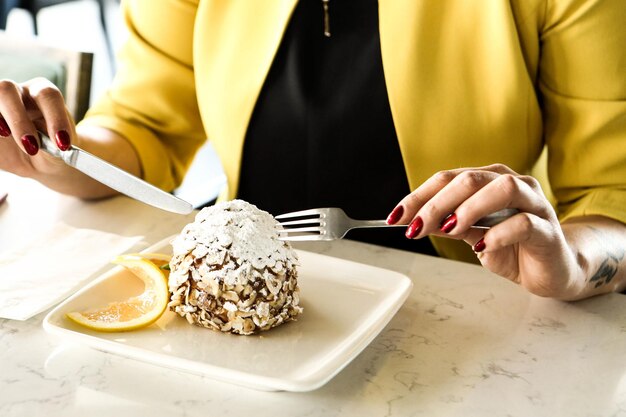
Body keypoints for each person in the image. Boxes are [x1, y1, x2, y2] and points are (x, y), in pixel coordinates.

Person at [0, 0, 624, 301]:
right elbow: (145, 128)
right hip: (235, 294)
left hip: (466, 308)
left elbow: (613, 197)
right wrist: (56, 153)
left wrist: (571, 262)